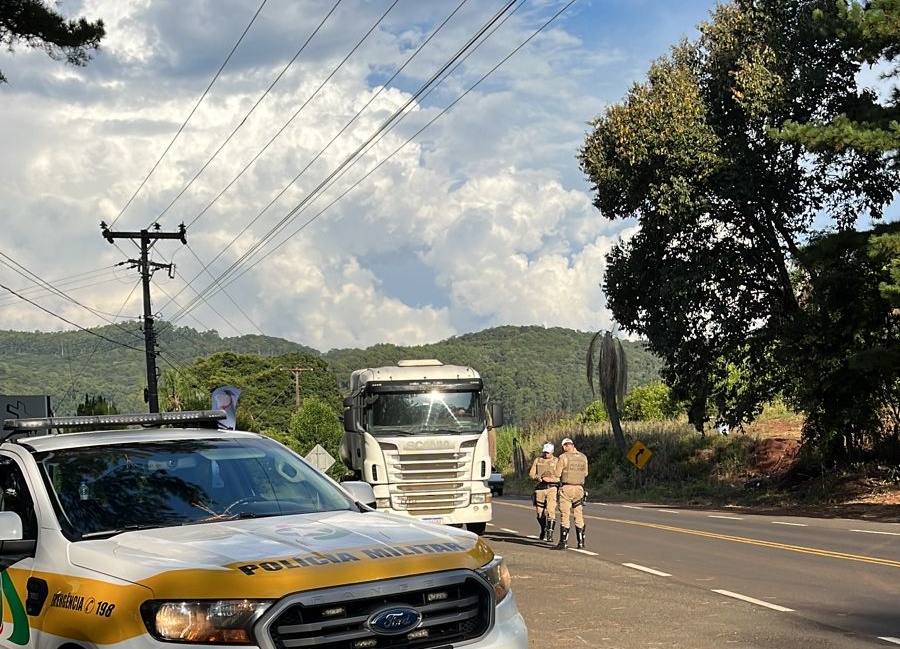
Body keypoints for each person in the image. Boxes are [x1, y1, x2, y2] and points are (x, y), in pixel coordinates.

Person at [552, 437, 588, 550]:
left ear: (565, 446)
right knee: (579, 515)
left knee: (565, 514)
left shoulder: (563, 457)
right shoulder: (583, 457)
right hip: (579, 489)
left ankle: (563, 542)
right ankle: (581, 542)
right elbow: (585, 473)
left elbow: (557, 474)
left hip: (567, 488)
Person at [528, 442, 559, 542]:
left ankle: (550, 534)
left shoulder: (557, 461)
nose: (546, 454)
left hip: (552, 488)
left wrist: (552, 479)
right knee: (539, 513)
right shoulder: (538, 460)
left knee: (551, 510)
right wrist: (537, 477)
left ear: (552, 452)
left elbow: (560, 476)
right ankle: (543, 528)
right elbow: (531, 474)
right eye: (545, 452)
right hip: (540, 488)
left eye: (548, 452)